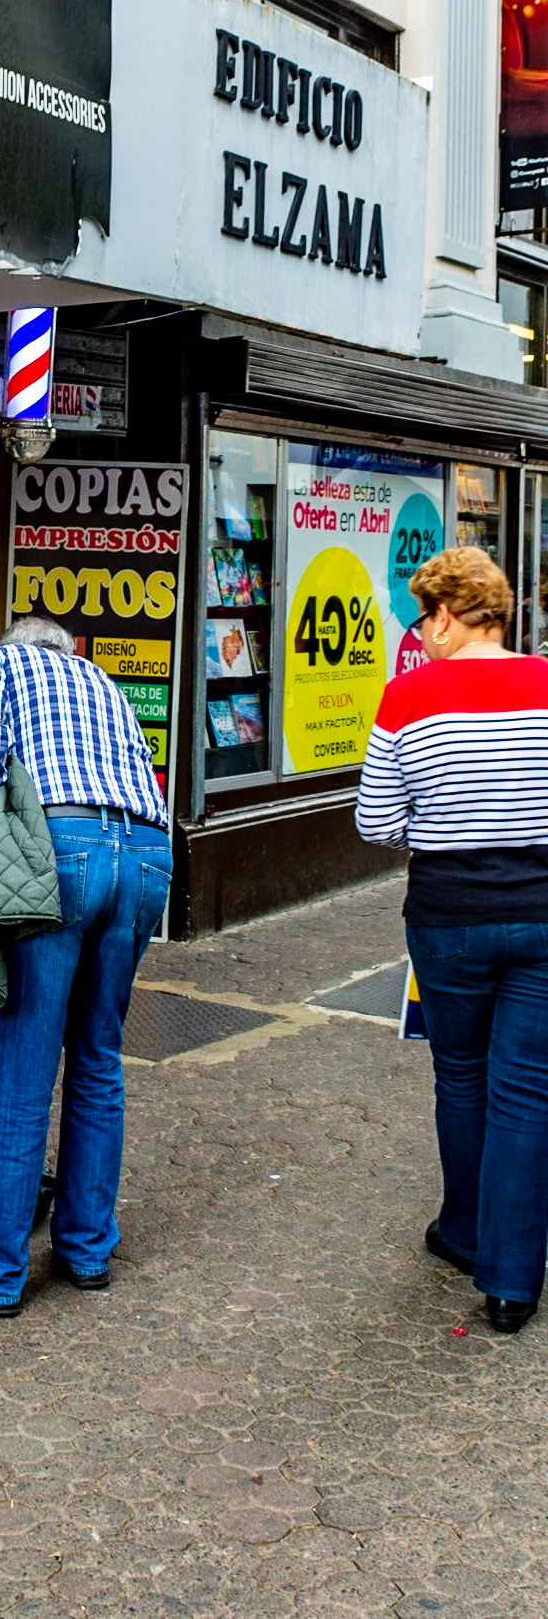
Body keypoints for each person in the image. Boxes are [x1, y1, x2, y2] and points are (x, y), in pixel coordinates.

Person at [0, 616, 171, 1317]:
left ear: (15, 644)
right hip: (145, 852)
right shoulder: (102, 680)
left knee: (22, 1067)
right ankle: (86, 1250)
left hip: (58, 848)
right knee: (98, 1057)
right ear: (68, 650)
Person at [356, 545, 548, 1335]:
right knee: (526, 1089)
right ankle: (511, 1283)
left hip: (446, 915)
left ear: (444, 614)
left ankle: (462, 1234)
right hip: (541, 911)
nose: (419, 632)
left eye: (420, 617)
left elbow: (375, 820)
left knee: (462, 1078)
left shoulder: (408, 697)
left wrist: (436, 833)